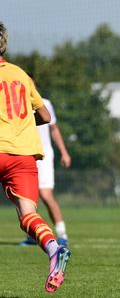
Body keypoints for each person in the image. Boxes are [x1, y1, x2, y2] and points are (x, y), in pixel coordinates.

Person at [0, 22, 71, 292]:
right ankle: (54, 249)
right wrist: (21, 123)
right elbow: (45, 116)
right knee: (28, 215)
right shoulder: (21, 74)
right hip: (23, 156)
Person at [20, 97, 72, 246]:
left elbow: (53, 128)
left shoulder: (44, 102)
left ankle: (62, 234)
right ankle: (32, 236)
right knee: (26, 196)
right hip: (25, 153)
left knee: (45, 194)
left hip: (44, 154)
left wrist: (64, 152)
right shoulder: (16, 102)